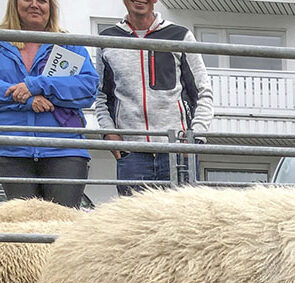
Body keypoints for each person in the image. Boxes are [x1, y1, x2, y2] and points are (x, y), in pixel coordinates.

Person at [94, 0, 213, 196]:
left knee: (181, 220)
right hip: (132, 153)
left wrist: (195, 138)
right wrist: (110, 136)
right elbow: (102, 96)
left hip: (177, 151)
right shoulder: (107, 39)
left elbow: (202, 92)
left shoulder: (180, 36)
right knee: (134, 222)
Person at [0, 0, 98, 208]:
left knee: (62, 227)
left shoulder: (67, 43)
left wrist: (39, 85)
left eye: (43, 0)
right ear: (14, 4)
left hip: (65, 150)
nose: (35, 5)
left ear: (51, 7)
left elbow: (88, 88)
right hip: (12, 151)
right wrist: (27, 100)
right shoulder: (1, 41)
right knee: (24, 230)